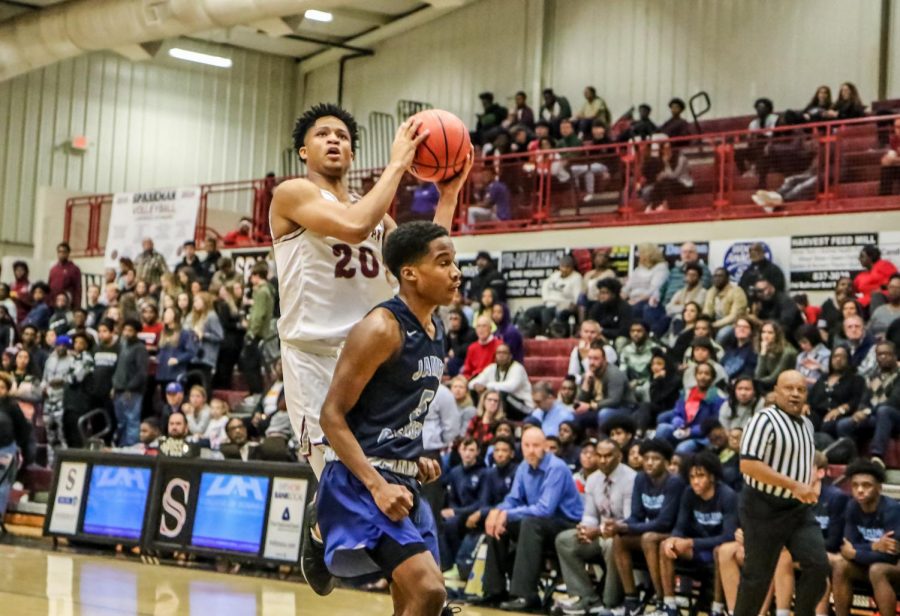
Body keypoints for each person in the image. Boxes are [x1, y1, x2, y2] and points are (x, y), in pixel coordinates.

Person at [314, 221, 462, 616]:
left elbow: (393, 413)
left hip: (403, 477)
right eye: (444, 263)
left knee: (418, 603)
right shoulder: (382, 327)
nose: (456, 272)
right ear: (409, 273)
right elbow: (330, 417)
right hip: (361, 483)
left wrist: (412, 457)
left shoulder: (435, 328)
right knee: (429, 592)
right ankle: (316, 529)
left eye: (455, 262)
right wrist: (378, 485)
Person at [734, 370, 828, 616]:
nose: (795, 394)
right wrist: (794, 485)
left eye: (801, 389)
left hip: (796, 509)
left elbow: (802, 460)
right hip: (762, 507)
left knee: (818, 565)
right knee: (757, 577)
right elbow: (748, 465)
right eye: (789, 388)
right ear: (776, 391)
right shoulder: (763, 419)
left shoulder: (807, 424)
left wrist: (809, 484)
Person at [481, 425, 583, 611]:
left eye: (536, 445)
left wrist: (507, 514)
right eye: (526, 445)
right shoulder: (523, 467)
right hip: (539, 523)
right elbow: (513, 499)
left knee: (528, 523)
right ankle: (494, 591)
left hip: (566, 524)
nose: (531, 450)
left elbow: (545, 509)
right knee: (497, 524)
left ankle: (525, 595)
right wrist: (497, 512)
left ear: (545, 446)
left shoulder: (557, 468)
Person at [554, 439, 636, 614]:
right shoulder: (593, 479)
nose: (603, 460)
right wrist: (584, 529)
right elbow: (590, 515)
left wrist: (597, 531)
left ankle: (611, 603)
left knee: (612, 543)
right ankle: (587, 599)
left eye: (608, 456)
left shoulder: (631, 479)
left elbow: (630, 521)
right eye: (599, 455)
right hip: (599, 533)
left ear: (619, 456)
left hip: (624, 536)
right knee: (565, 540)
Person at [657, 451, 738, 616]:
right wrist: (674, 539)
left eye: (700, 476)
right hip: (697, 549)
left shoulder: (727, 496)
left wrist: (691, 542)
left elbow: (729, 536)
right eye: (692, 476)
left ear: (712, 477)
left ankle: (717, 608)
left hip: (717, 550)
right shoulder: (688, 493)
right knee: (665, 545)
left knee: (720, 551)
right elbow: (680, 526)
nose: (695, 481)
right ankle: (670, 606)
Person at [831, 460, 900, 616]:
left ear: (879, 488)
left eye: (866, 485)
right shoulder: (852, 507)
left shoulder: (892, 510)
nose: (860, 490)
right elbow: (847, 547)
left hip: (894, 566)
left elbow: (889, 556)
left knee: (878, 569)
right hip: (868, 564)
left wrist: (857, 552)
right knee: (841, 566)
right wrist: (874, 546)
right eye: (855, 485)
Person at [656, 362, 725, 454]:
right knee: (662, 428)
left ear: (712, 378)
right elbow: (677, 412)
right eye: (700, 373)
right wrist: (678, 422)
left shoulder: (717, 397)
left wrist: (691, 431)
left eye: (706, 374)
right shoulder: (687, 392)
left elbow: (714, 423)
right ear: (695, 376)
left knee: (682, 449)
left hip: (702, 436)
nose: (703, 377)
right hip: (682, 429)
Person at [438, 437, 485, 572]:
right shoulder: (455, 472)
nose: (468, 453)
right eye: (464, 449)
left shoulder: (484, 472)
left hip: (474, 513)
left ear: (478, 452)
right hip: (457, 512)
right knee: (437, 521)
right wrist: (452, 510)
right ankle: (445, 565)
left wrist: (457, 512)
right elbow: (452, 498)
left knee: (452, 523)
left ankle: (457, 565)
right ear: (459, 451)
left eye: (471, 450)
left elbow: (481, 502)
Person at [573, 341, 635, 432]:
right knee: (576, 413)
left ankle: (603, 442)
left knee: (604, 413)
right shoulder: (588, 374)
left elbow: (614, 400)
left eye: (596, 359)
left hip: (623, 408)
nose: (592, 362)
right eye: (589, 358)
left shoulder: (614, 374)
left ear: (604, 359)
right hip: (599, 408)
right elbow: (580, 402)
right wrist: (586, 383)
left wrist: (590, 406)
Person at [808, 345, 867, 441]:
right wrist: (805, 405)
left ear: (848, 359)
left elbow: (856, 400)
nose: (838, 359)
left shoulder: (856, 379)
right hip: (818, 413)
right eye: (835, 356)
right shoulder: (823, 378)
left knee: (828, 425)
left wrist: (840, 410)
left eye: (842, 356)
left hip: (840, 415)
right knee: (806, 420)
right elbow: (811, 397)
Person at [111, 318, 149, 447]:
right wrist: (114, 386)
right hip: (118, 390)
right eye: (125, 330)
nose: (127, 333)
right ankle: (122, 448)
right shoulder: (122, 345)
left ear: (136, 332)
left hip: (132, 392)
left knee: (132, 422)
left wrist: (130, 388)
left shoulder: (140, 349)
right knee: (121, 422)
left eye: (130, 331)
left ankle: (132, 449)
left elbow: (142, 373)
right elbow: (118, 368)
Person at [524, 255, 583, 336]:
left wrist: (574, 305)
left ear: (572, 268)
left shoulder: (576, 277)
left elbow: (578, 296)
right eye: (562, 266)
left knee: (545, 313)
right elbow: (545, 286)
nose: (564, 269)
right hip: (549, 303)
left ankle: (548, 335)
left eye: (567, 267)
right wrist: (545, 299)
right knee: (530, 311)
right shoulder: (555, 275)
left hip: (563, 305)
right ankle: (529, 334)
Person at [622, 243, 669, 324]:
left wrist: (637, 300)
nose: (638, 256)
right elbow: (627, 287)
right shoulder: (638, 269)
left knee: (634, 309)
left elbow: (654, 289)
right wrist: (620, 298)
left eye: (641, 253)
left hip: (648, 301)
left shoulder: (661, 268)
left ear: (649, 255)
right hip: (631, 300)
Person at [748, 278, 803, 343]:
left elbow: (784, 325)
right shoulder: (760, 302)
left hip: (790, 339)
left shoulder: (785, 301)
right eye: (759, 292)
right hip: (768, 340)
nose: (762, 293)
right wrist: (755, 314)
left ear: (770, 288)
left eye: (763, 290)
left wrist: (759, 322)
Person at [704, 267, 748, 340]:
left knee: (722, 334)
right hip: (714, 322)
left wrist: (715, 325)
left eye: (720, 276)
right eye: (715, 276)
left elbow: (734, 316)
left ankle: (718, 350)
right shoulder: (711, 291)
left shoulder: (737, 291)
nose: (717, 279)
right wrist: (704, 323)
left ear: (727, 278)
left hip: (733, 324)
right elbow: (707, 311)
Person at [754, 321, 797, 394]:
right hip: (769, 387)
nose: (766, 335)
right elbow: (758, 374)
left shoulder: (788, 352)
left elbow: (773, 379)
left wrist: (753, 382)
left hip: (785, 388)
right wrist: (763, 353)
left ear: (777, 335)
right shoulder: (764, 348)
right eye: (763, 332)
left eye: (770, 333)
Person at [855, 244, 898, 309]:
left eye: (862, 256)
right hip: (865, 304)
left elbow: (895, 282)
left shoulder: (883, 264)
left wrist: (880, 288)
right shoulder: (861, 275)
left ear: (871, 257)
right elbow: (853, 288)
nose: (859, 259)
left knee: (876, 296)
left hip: (884, 300)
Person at [461, 315, 502, 380]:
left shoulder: (499, 345)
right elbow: (467, 371)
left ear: (490, 328)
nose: (481, 329)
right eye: (478, 326)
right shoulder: (472, 347)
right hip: (473, 381)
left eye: (484, 326)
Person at [48, 242, 82, 309]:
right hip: (53, 303)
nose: (61, 254)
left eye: (64, 252)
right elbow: (49, 285)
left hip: (67, 304)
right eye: (59, 252)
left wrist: (77, 305)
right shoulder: (53, 269)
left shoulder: (74, 269)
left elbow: (78, 288)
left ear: (68, 253)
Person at [879, 117, 900, 196]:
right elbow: (886, 160)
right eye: (896, 127)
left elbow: (893, 159)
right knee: (886, 169)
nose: (898, 130)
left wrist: (894, 160)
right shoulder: (894, 139)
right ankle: (883, 199)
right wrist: (887, 160)